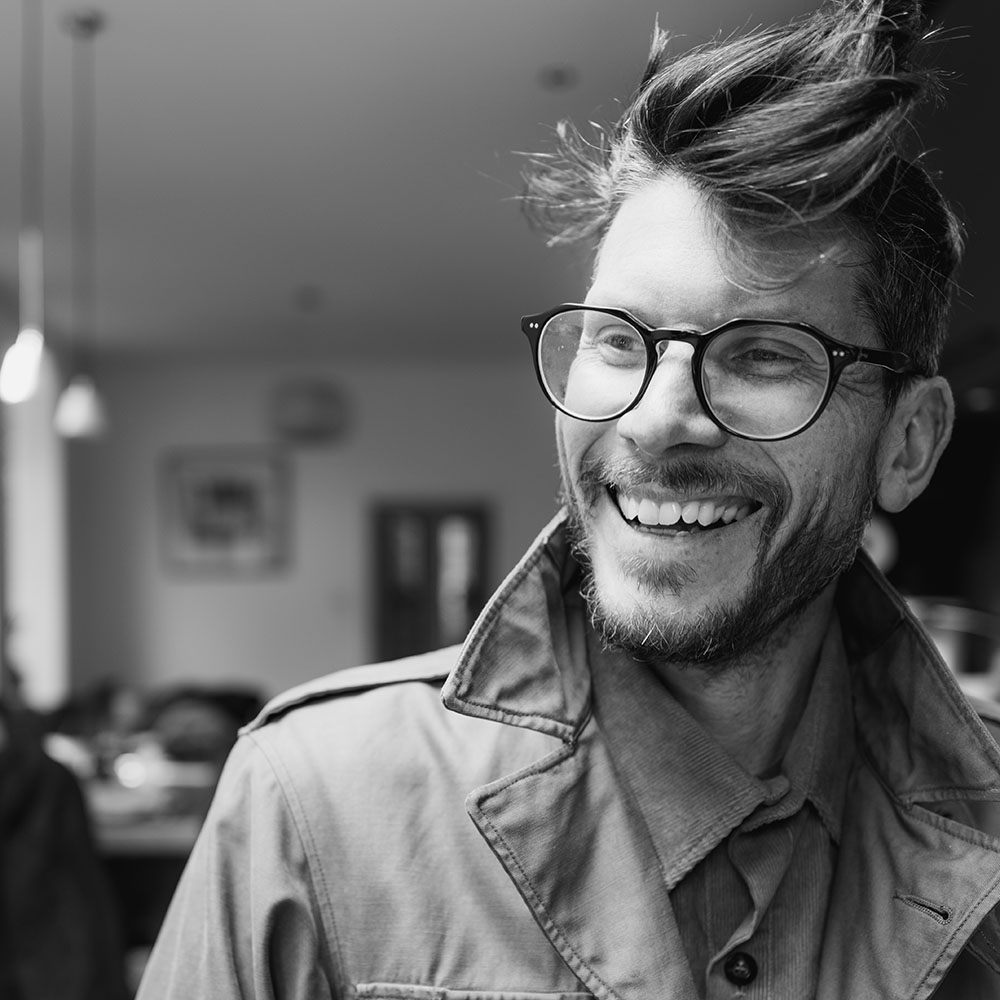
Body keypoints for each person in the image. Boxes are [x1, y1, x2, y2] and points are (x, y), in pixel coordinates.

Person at [137, 2, 1000, 997]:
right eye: (619, 342)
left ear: (908, 442)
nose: (658, 418)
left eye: (764, 353)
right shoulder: (311, 804)